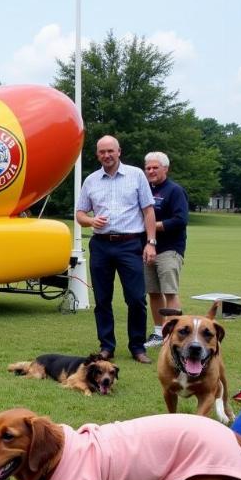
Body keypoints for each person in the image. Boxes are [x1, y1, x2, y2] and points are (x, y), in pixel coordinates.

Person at [76, 135, 157, 364]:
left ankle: (138, 347)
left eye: (110, 151)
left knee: (135, 298)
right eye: (102, 152)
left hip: (130, 244)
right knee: (102, 299)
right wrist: (91, 221)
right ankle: (106, 347)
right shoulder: (91, 180)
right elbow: (80, 214)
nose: (106, 155)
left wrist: (151, 243)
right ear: (97, 154)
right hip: (101, 245)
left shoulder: (136, 175)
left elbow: (149, 211)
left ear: (119, 151)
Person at [142, 151, 189, 348]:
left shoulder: (174, 191)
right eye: (148, 168)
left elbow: (180, 220)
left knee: (169, 291)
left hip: (170, 249)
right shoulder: (145, 189)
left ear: (165, 169)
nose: (151, 171)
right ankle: (158, 333)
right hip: (147, 249)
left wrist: (153, 226)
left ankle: (173, 335)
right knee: (153, 292)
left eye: (155, 167)